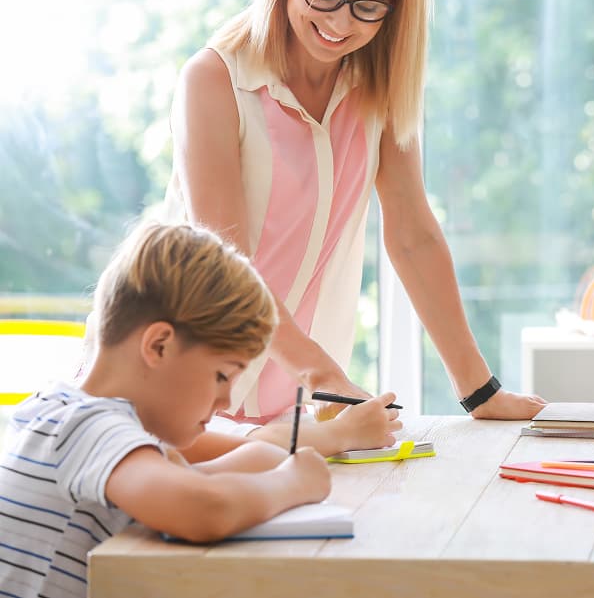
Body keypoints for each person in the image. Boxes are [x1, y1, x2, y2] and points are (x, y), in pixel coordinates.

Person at [166, 0, 545, 434]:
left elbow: (413, 235)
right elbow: (227, 262)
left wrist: (479, 391)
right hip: (177, 378)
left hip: (292, 401)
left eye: (368, 8)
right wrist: (325, 373)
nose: (341, 25)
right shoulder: (215, 80)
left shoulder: (380, 90)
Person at [0, 222, 365, 597]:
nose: (226, 401)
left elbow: (220, 471)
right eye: (222, 376)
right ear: (159, 346)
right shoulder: (88, 426)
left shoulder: (60, 408)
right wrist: (294, 483)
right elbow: (203, 509)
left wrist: (257, 462)